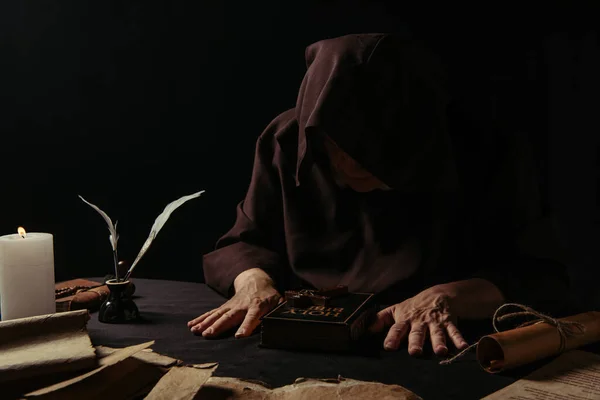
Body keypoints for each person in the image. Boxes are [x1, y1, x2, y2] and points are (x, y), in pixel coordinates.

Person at [188, 33, 569, 356]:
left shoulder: (483, 147)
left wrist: (448, 296)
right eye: (335, 145)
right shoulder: (288, 138)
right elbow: (243, 240)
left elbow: (538, 272)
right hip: (306, 339)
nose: (349, 166)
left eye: (372, 154)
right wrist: (253, 282)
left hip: (429, 341)